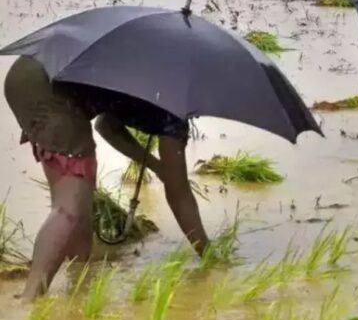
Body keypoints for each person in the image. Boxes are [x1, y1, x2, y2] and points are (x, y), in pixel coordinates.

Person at [4, 56, 208, 299]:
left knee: (80, 202)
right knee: (69, 209)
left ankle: (78, 282)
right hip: (50, 90)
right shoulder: (174, 110)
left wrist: (153, 165)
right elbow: (179, 191)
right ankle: (31, 296)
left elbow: (107, 126)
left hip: (28, 73)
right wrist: (207, 252)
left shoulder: (156, 74)